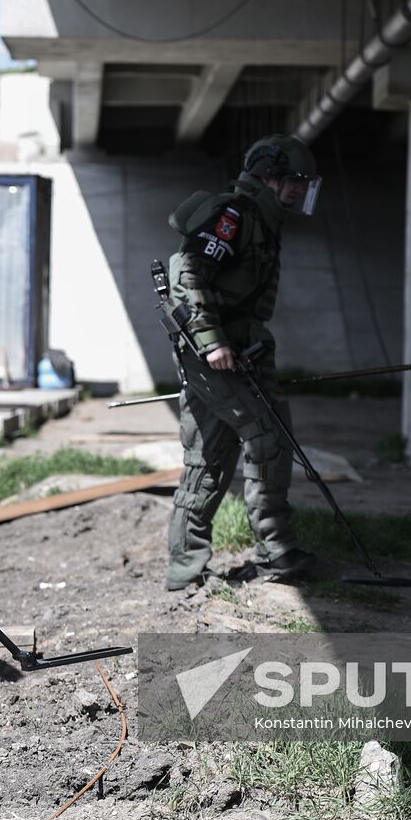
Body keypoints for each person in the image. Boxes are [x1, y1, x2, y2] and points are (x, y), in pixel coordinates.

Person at [163, 133, 324, 592]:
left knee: (208, 458)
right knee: (267, 438)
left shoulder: (261, 220)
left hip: (240, 352)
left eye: (305, 183)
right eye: (294, 181)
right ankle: (276, 551)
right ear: (268, 177)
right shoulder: (234, 215)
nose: (299, 191)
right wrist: (213, 343)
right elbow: (187, 271)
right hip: (217, 354)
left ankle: (184, 569)